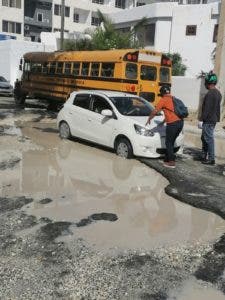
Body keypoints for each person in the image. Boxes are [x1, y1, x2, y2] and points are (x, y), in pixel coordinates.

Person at [146, 85, 183, 168]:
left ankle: (171, 162)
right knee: (171, 141)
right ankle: (167, 158)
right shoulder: (174, 99)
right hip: (180, 123)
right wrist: (163, 122)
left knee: (168, 142)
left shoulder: (163, 100)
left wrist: (149, 119)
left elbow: (155, 111)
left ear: (162, 93)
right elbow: (171, 113)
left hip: (173, 124)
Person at [199, 72, 221, 165]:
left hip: (208, 120)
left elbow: (207, 108)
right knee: (204, 138)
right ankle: (204, 156)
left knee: (208, 139)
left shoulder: (210, 94)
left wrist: (201, 119)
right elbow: (217, 108)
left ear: (208, 82)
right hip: (213, 119)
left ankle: (211, 159)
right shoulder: (218, 93)